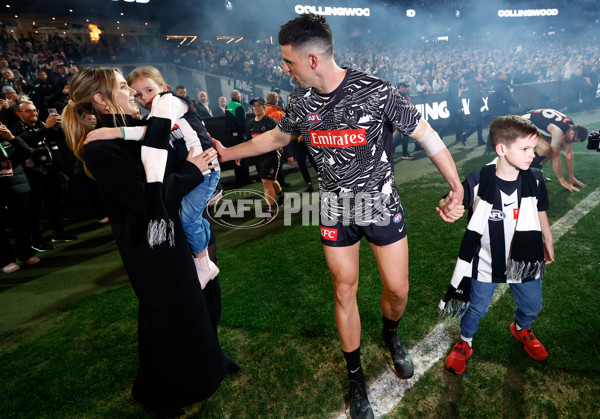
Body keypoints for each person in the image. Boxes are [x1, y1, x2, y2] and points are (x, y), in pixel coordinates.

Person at [213, 14, 464, 418]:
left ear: (312, 60)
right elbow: (277, 137)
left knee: (397, 290)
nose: (284, 68)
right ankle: (355, 376)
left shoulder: (375, 90)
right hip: (335, 208)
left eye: (288, 62)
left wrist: (456, 186)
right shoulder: (300, 102)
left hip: (379, 203)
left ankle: (391, 333)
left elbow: (426, 134)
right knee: (344, 289)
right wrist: (228, 153)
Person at [62, 67, 236, 416]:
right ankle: (161, 391)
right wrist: (192, 170)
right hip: (152, 244)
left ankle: (211, 362)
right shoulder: (99, 148)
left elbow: (174, 148)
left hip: (180, 225)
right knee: (168, 316)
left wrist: (200, 158)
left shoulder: (135, 129)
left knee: (204, 298)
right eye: (123, 86)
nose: (132, 93)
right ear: (100, 98)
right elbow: (144, 200)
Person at [85, 65, 222, 287]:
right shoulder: (104, 148)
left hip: (202, 176)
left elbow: (155, 132)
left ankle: (204, 264)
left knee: (192, 222)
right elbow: (145, 198)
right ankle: (204, 263)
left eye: (148, 90)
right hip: (165, 238)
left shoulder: (169, 102)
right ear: (101, 98)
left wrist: (114, 132)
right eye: (135, 92)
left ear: (164, 87)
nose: (140, 96)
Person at [440, 115, 554, 375]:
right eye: (525, 149)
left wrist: (547, 238)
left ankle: (521, 328)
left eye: (533, 149)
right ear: (501, 149)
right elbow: (454, 200)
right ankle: (465, 341)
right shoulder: (479, 180)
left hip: (526, 260)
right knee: (476, 308)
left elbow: (540, 209)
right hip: (486, 263)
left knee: (533, 305)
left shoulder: (535, 179)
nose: (532, 155)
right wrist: (450, 207)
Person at [11, 101, 75, 251]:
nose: (33, 113)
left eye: (34, 110)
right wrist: (46, 128)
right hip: (33, 172)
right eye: (28, 111)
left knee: (56, 203)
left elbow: (61, 137)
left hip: (52, 169)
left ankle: (59, 233)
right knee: (36, 208)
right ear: (18, 114)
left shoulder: (41, 123)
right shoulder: (15, 129)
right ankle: (37, 240)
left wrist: (59, 127)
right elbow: (27, 142)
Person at [0, 122, 40, 273]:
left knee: (23, 222)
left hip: (18, 186)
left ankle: (26, 254)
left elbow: (27, 152)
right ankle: (6, 260)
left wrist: (10, 137)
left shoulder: (8, 137)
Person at [521, 109, 588, 192]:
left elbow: (568, 154)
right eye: (574, 140)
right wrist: (562, 181)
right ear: (572, 133)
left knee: (555, 147)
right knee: (545, 148)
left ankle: (534, 173)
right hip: (522, 123)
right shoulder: (559, 131)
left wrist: (571, 177)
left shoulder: (571, 128)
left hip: (535, 123)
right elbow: (555, 158)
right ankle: (523, 174)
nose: (572, 142)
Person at [242, 97, 284, 223]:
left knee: (266, 182)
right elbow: (246, 141)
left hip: (271, 156)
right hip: (258, 157)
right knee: (270, 180)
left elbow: (281, 137)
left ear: (264, 107)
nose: (256, 108)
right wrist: (240, 154)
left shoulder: (270, 122)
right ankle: (281, 195)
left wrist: (287, 153)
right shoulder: (250, 124)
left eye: (259, 105)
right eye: (254, 105)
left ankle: (269, 212)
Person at [485, 71, 520, 151]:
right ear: (500, 76)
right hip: (500, 110)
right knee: (504, 128)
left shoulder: (492, 85)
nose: (506, 76)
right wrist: (516, 104)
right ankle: (502, 145)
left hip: (493, 110)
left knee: (495, 128)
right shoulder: (502, 86)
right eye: (504, 75)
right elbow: (508, 97)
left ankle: (490, 147)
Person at [392, 81, 415, 159]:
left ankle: (392, 149)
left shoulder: (404, 94)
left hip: (404, 118)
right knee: (405, 135)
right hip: (399, 118)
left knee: (403, 136)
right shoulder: (396, 95)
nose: (406, 88)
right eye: (405, 87)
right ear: (401, 87)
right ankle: (404, 154)